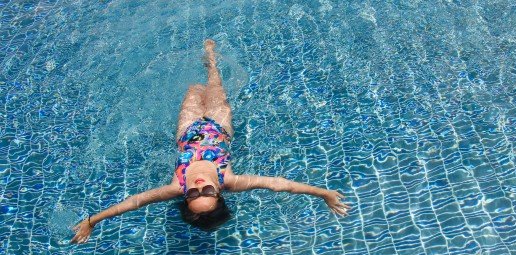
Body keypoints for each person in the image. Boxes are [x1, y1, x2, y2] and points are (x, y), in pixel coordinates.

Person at [70, 40, 350, 244]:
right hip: (219, 124)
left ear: (185, 198)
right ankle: (212, 58)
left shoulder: (174, 186)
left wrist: (92, 220)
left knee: (194, 89)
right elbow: (281, 185)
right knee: (213, 85)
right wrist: (322, 193)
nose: (198, 188)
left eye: (193, 196)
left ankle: (206, 61)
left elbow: (134, 202)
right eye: (207, 194)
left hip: (188, 128)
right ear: (218, 195)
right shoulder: (228, 180)